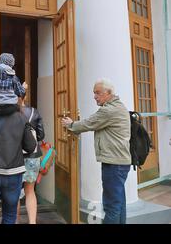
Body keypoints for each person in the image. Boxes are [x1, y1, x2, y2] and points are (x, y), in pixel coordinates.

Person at [61, 78, 131, 224]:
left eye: (98, 93)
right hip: (119, 163)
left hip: (114, 164)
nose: (95, 96)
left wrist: (71, 124)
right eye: (94, 93)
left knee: (111, 206)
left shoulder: (109, 111)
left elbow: (89, 123)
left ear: (109, 93)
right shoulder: (117, 107)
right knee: (118, 204)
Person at [17, 92, 45, 224]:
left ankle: (14, 221)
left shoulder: (10, 113)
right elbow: (41, 135)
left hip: (14, 156)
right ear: (25, 97)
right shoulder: (34, 112)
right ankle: (32, 222)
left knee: (14, 192)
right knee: (30, 191)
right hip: (32, 155)